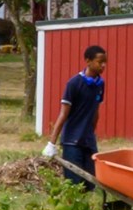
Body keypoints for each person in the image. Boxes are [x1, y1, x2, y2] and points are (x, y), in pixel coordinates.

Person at [42, 45, 108, 181]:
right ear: (88, 61)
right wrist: (52, 143)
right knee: (74, 183)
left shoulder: (100, 85)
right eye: (99, 62)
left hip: (88, 141)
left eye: (105, 62)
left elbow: (95, 111)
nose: (103, 65)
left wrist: (91, 133)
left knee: (91, 182)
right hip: (72, 141)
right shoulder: (74, 84)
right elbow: (63, 114)